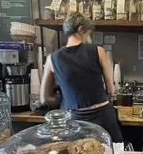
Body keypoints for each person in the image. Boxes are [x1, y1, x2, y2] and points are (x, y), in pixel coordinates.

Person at [40, 12, 123, 143]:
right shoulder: (98, 51)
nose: (88, 37)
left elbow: (44, 99)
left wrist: (68, 98)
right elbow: (111, 90)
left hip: (74, 119)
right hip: (102, 117)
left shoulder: (52, 59)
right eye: (88, 33)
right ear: (80, 29)